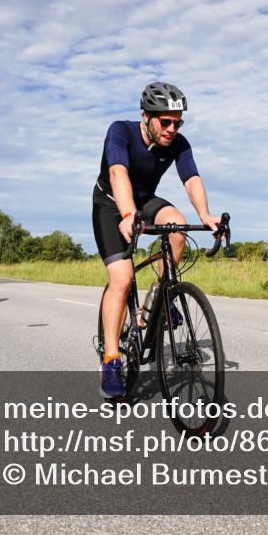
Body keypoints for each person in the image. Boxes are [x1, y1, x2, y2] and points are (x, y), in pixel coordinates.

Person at [93, 82, 221, 398]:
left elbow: (191, 178)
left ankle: (158, 297)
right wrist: (126, 215)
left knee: (178, 226)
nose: (172, 129)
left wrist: (205, 215)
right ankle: (111, 361)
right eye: (165, 122)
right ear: (147, 116)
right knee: (121, 280)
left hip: (146, 199)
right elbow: (117, 173)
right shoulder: (120, 131)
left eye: (178, 123)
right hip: (111, 204)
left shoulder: (178, 143)